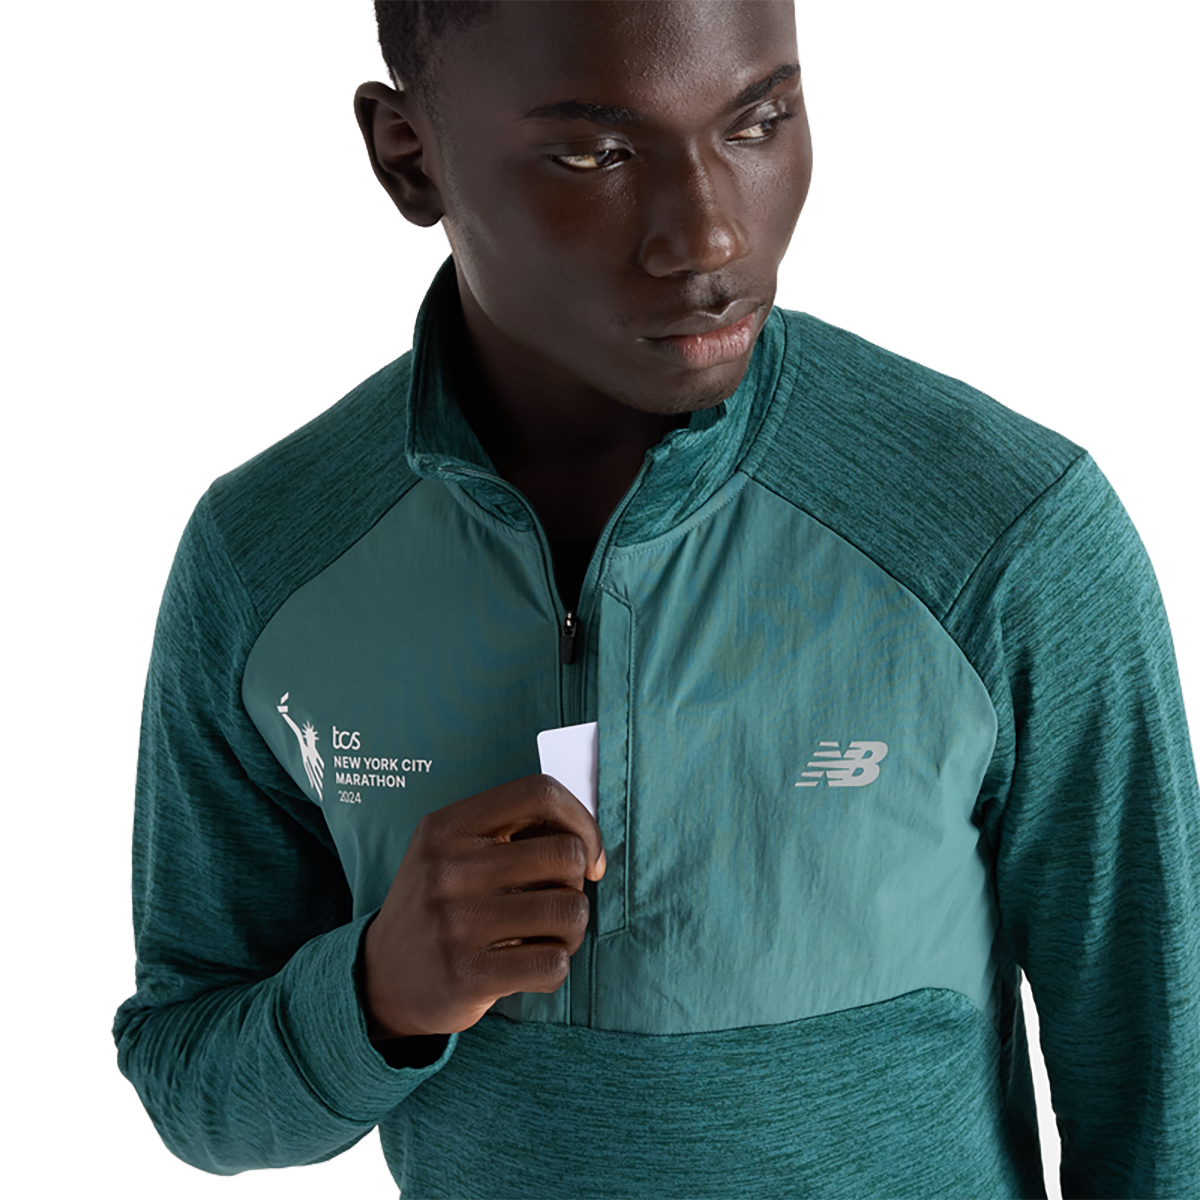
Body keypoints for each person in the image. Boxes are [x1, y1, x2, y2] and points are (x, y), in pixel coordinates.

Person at [112, 0, 1200, 1195]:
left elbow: (1169, 1103)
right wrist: (377, 995)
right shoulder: (265, 558)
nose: (711, 237)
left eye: (758, 121)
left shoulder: (1004, 532)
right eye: (598, 153)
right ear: (408, 156)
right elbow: (193, 1087)